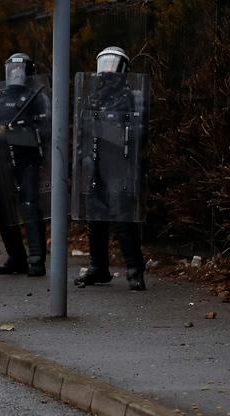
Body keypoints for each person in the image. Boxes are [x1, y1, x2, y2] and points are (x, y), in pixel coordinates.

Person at [73, 47, 146, 290]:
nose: (106, 69)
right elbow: (82, 128)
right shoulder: (94, 97)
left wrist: (111, 131)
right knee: (95, 215)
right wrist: (82, 157)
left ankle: (135, 270)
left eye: (112, 63)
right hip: (96, 162)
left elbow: (139, 130)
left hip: (120, 164)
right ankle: (98, 267)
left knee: (122, 217)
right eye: (103, 62)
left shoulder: (131, 96)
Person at [0, 53, 49, 276]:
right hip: (3, 160)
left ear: (28, 72)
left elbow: (46, 127)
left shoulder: (36, 97)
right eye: (12, 69)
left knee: (29, 204)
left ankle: (36, 258)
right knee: (2, 209)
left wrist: (20, 129)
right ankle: (16, 256)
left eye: (20, 70)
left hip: (27, 159)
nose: (15, 73)